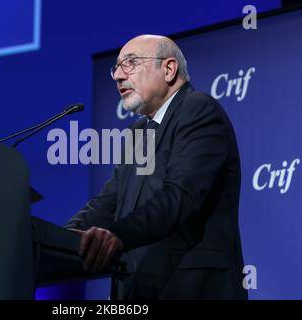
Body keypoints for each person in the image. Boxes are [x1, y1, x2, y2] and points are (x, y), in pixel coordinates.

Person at [64, 34, 247, 300]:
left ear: (169, 69)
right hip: (139, 290)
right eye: (116, 67)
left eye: (131, 63)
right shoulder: (138, 132)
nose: (117, 75)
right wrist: (63, 236)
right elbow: (109, 202)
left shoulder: (199, 110)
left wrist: (117, 235)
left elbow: (179, 196)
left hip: (191, 289)